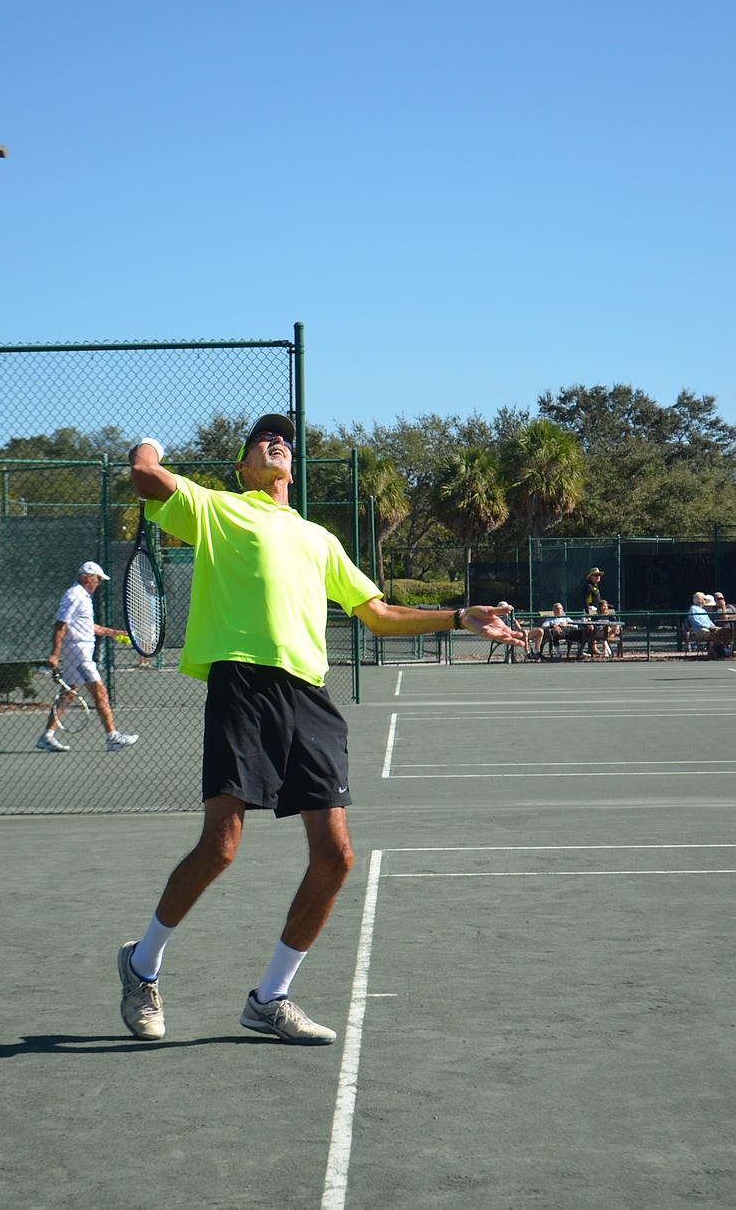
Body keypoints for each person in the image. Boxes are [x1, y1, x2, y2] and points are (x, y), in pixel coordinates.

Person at [118, 415, 524, 1045]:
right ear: (244, 466)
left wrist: (459, 616)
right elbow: (146, 474)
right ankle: (142, 965)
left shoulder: (319, 539)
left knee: (336, 857)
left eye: (284, 440)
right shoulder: (219, 511)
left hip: (308, 696)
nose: (276, 442)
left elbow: (380, 614)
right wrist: (152, 441)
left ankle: (270, 997)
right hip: (242, 686)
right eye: (262, 440)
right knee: (221, 847)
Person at [36, 561, 140, 753]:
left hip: (79, 653)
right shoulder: (74, 596)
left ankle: (46, 737)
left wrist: (113, 632)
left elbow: (88, 626)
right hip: (78, 654)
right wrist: (54, 654)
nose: (98, 583)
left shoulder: (83, 597)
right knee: (100, 691)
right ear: (89, 577)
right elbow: (60, 625)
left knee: (68, 693)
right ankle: (112, 737)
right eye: (98, 579)